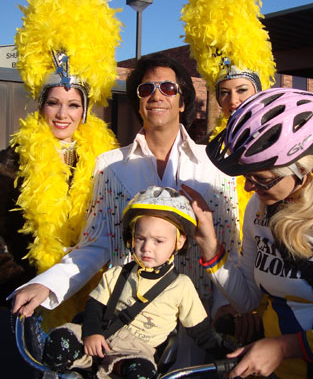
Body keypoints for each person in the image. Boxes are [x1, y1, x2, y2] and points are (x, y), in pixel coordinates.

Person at [11, 52, 240, 327]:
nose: (157, 96)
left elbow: (230, 245)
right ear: (139, 103)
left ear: (183, 102)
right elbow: (96, 244)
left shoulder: (214, 165)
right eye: (146, 89)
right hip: (127, 322)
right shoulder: (110, 166)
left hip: (198, 320)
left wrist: (225, 305)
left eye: (168, 88)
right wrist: (48, 285)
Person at [184, 87, 313, 379]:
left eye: (262, 180)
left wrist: (285, 347)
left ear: (301, 169)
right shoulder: (260, 208)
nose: (250, 188)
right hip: (278, 369)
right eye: (247, 176)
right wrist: (210, 249)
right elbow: (248, 299)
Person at [0, 0, 120, 331]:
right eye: (53, 103)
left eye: (73, 105)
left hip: (94, 300)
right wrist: (21, 284)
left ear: (84, 110)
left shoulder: (108, 161)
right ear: (41, 107)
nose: (62, 114)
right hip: (25, 301)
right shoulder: (9, 162)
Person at [41, 186, 230, 379]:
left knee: (141, 373)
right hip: (98, 339)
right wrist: (92, 333)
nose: (147, 248)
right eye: (141, 238)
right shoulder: (117, 274)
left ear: (179, 242)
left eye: (158, 241)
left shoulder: (181, 286)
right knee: (57, 343)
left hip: (135, 351)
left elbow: (200, 331)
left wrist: (227, 357)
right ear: (132, 238)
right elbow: (94, 307)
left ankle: (111, 369)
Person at [181, 0, 276, 345]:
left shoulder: (285, 152)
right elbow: (225, 238)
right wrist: (230, 301)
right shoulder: (212, 159)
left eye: (242, 90)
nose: (233, 101)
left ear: (258, 91)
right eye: (224, 93)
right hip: (231, 294)